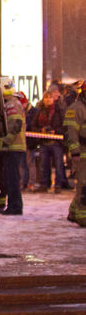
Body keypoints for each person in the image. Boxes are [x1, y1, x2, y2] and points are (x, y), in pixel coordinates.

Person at [0, 78, 26, 216]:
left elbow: (15, 125)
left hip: (12, 149)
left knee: (13, 179)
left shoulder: (12, 104)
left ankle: (15, 207)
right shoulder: (8, 103)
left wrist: (5, 142)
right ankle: (12, 206)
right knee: (9, 179)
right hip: (8, 149)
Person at [30, 90, 70, 192]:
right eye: (46, 98)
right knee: (44, 165)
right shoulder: (39, 111)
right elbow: (33, 126)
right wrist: (41, 130)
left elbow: (65, 126)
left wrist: (54, 131)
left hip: (56, 142)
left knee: (58, 165)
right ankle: (44, 185)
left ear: (54, 99)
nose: (48, 100)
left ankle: (58, 185)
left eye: (50, 97)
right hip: (43, 142)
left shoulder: (59, 111)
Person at [63, 86, 86, 226]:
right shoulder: (76, 108)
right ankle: (82, 217)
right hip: (82, 153)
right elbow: (71, 132)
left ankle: (73, 212)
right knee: (84, 185)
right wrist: (75, 152)